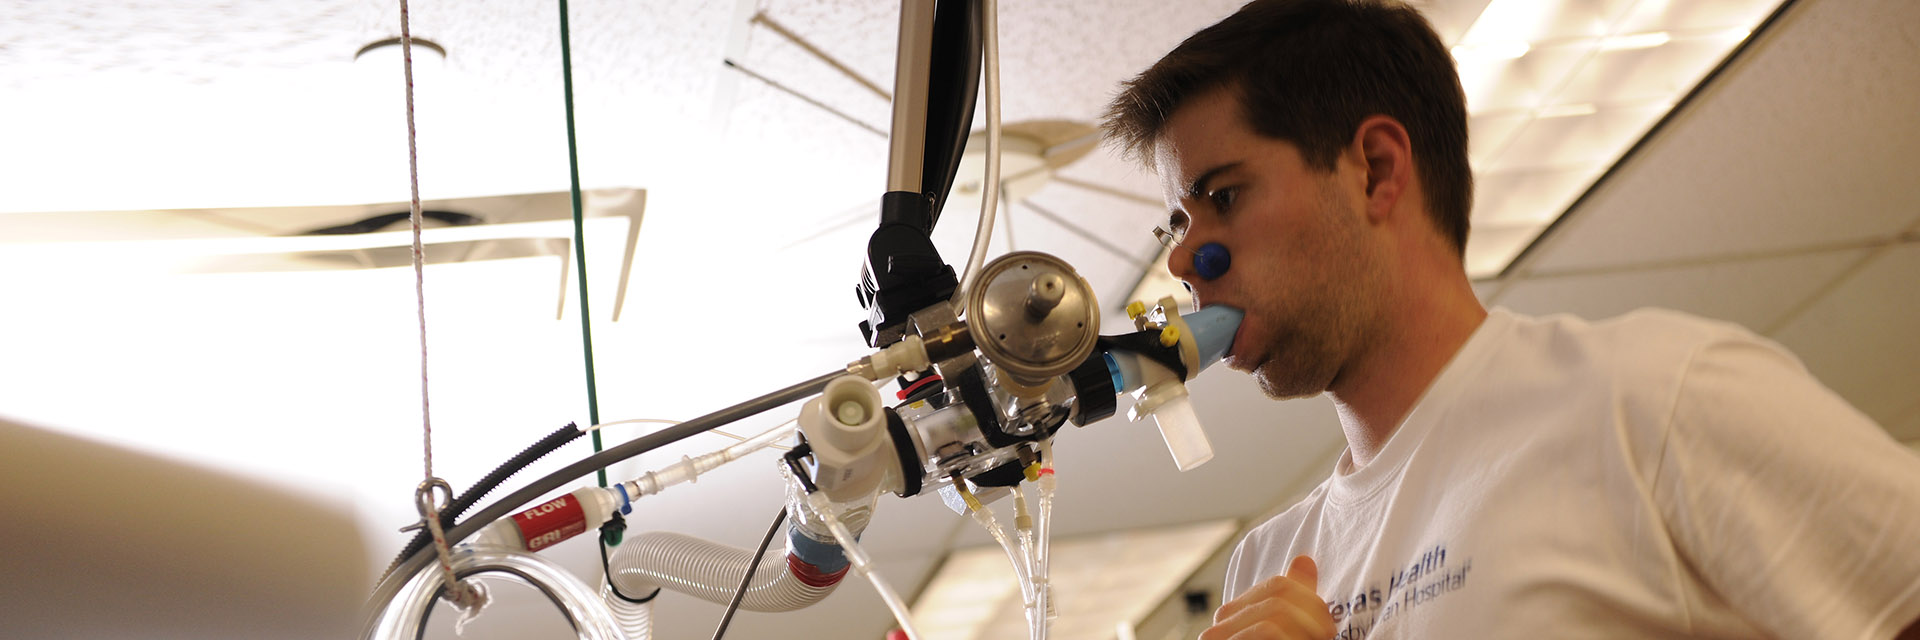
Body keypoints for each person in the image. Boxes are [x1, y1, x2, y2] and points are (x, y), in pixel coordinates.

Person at [1099, 1, 1920, 638]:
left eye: (1226, 197)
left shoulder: (1652, 399)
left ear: (1375, 170)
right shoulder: (1265, 566)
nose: (1182, 262)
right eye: (1179, 224)